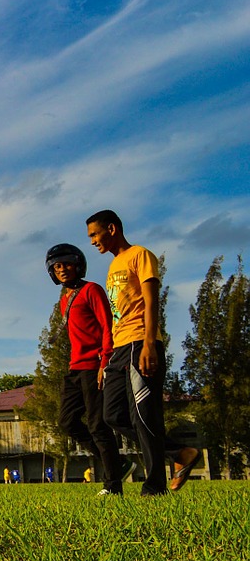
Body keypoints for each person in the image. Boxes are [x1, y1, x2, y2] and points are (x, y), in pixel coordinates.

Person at [87, 210, 201, 494]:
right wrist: (107, 359)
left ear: (111, 229)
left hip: (141, 341)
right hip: (120, 347)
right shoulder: (113, 266)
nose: (92, 241)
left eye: (94, 234)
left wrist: (150, 343)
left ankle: (154, 488)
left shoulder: (140, 255)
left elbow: (152, 302)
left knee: (144, 414)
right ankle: (179, 453)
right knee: (112, 414)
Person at [46, 242, 130, 497]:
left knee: (97, 425)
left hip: (95, 364)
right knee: (67, 421)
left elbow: (108, 326)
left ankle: (112, 485)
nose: (62, 269)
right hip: (75, 367)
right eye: (57, 266)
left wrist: (105, 362)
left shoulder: (92, 290)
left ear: (78, 264)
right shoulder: (65, 300)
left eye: (67, 264)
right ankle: (119, 464)